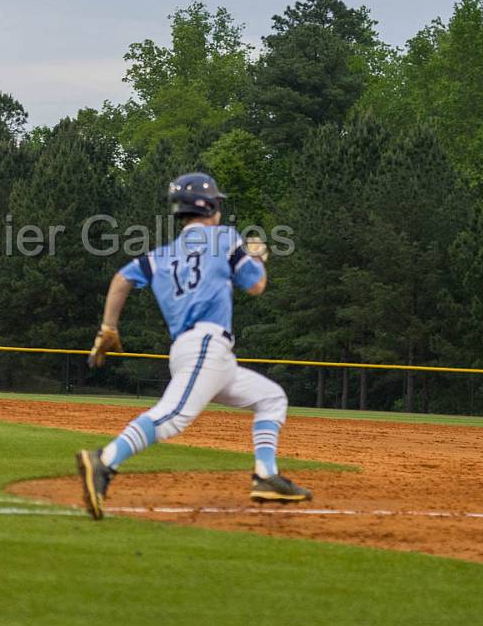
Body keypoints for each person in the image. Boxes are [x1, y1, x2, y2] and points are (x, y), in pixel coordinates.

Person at [75, 172, 312, 520]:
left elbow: (122, 278)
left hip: (201, 351)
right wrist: (258, 256)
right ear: (212, 207)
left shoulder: (161, 255)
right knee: (173, 417)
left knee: (271, 397)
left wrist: (108, 326)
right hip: (206, 346)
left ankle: (266, 475)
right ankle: (105, 460)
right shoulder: (225, 239)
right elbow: (256, 286)